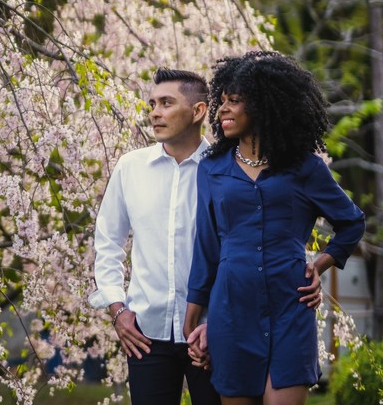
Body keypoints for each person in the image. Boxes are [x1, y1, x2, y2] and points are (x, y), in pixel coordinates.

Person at [185, 51, 365, 405]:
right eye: (221, 102)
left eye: (234, 101)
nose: (222, 110)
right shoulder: (212, 167)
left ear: (264, 106)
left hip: (290, 306)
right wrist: (192, 323)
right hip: (231, 311)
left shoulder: (306, 168)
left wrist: (318, 264)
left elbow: (352, 222)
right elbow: (207, 247)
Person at [90, 68, 220, 405]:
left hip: (211, 334)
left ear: (198, 111)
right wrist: (118, 310)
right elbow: (107, 242)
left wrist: (220, 322)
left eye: (166, 103)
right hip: (146, 336)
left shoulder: (224, 170)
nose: (155, 113)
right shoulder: (130, 167)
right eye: (152, 104)